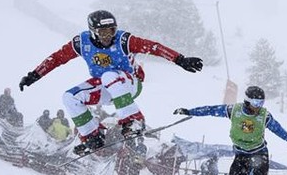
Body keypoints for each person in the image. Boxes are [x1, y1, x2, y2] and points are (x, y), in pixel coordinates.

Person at [18, 10, 203, 156]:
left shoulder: (124, 40)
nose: (108, 36)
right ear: (93, 31)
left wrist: (180, 59)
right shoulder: (81, 42)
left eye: (111, 31)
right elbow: (57, 58)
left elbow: (154, 47)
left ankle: (133, 121)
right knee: (70, 97)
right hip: (106, 88)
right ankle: (93, 136)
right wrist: (35, 75)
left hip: (130, 83)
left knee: (108, 76)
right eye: (103, 32)